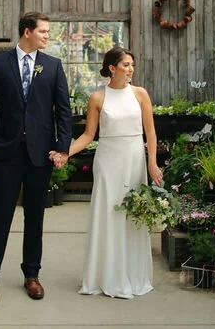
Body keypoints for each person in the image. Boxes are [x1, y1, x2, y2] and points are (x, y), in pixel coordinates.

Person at [0, 12, 71, 306]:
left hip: (39, 156)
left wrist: (63, 148)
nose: (47, 36)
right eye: (43, 31)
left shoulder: (53, 66)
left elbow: (63, 111)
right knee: (0, 217)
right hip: (5, 153)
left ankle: (32, 275)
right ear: (27, 32)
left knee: (35, 218)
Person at [56, 46, 163, 299]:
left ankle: (132, 275)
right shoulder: (97, 98)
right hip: (108, 161)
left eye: (132, 65)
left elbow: (151, 133)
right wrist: (65, 153)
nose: (131, 69)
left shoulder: (140, 94)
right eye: (126, 65)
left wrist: (152, 163)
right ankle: (106, 276)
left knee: (132, 214)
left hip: (134, 160)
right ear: (112, 68)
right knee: (108, 214)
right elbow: (88, 136)